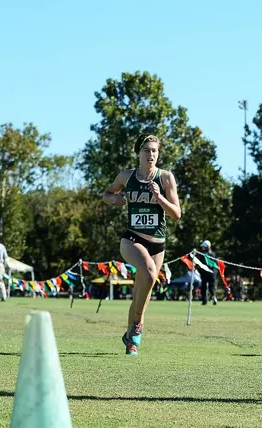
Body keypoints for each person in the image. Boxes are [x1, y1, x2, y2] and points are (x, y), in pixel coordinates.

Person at [103, 134, 182, 356]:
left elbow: (176, 214)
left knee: (142, 294)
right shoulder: (126, 177)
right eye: (147, 150)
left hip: (158, 244)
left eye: (155, 151)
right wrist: (114, 199)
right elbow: (106, 193)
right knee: (148, 272)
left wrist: (160, 199)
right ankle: (137, 328)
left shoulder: (165, 178)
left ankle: (131, 339)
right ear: (138, 153)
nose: (151, 155)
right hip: (132, 239)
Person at [199, 240, 218, 305]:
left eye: (204, 247)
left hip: (209, 273)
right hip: (208, 273)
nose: (203, 248)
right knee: (207, 287)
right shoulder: (211, 254)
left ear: (207, 247)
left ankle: (209, 299)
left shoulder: (206, 254)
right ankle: (208, 299)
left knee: (208, 287)